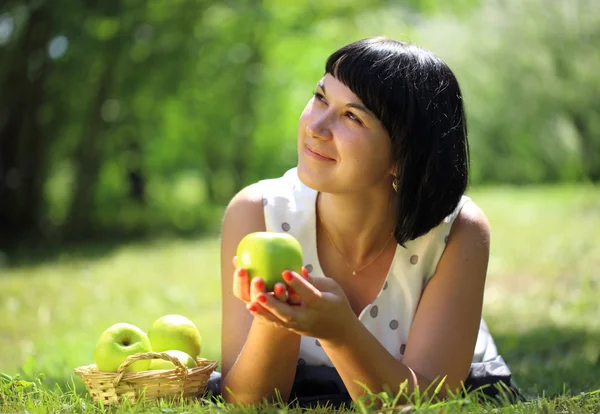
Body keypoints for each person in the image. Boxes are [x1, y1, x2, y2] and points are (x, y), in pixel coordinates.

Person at [210, 37, 521, 408]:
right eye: (321, 98)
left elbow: (426, 402)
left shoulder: (457, 230)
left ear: (403, 156)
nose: (316, 127)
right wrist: (276, 317)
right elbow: (247, 403)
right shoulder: (257, 212)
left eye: (352, 116)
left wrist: (341, 332)